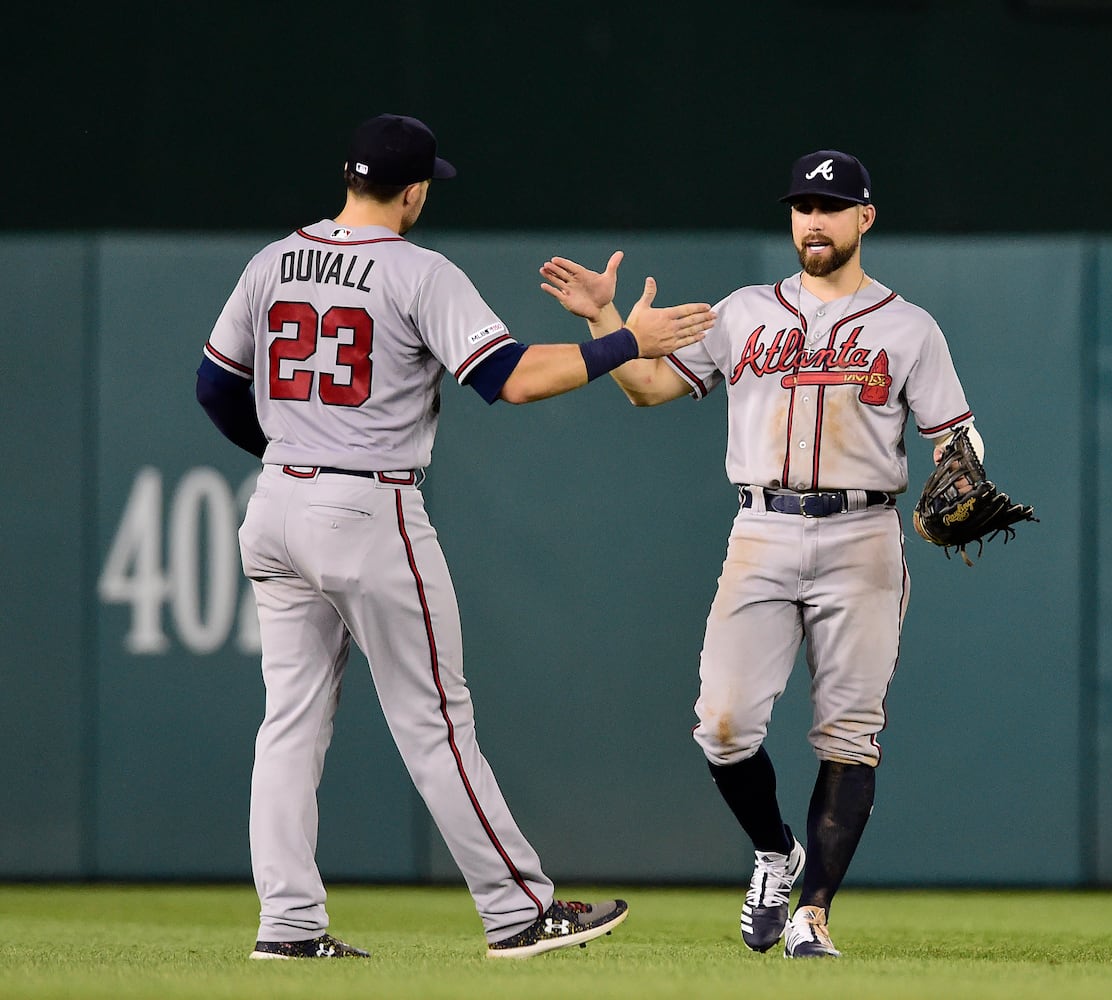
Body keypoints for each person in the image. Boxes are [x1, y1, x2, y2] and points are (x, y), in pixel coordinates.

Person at [194, 113, 714, 960]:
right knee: (435, 720)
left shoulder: (272, 261)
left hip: (277, 503)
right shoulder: (417, 270)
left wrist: (294, 450)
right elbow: (508, 380)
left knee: (287, 726)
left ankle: (287, 927)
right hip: (366, 510)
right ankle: (518, 912)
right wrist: (626, 339)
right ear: (413, 191)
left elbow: (215, 388)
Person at [539, 149, 984, 959]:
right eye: (802, 206)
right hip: (763, 530)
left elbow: (956, 438)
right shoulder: (743, 312)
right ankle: (777, 854)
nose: (813, 220)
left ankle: (813, 915)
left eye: (831, 206)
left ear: (864, 219)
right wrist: (604, 322)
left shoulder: (909, 327)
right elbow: (646, 389)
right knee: (724, 725)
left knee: (849, 733)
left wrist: (966, 468)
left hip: (863, 535)